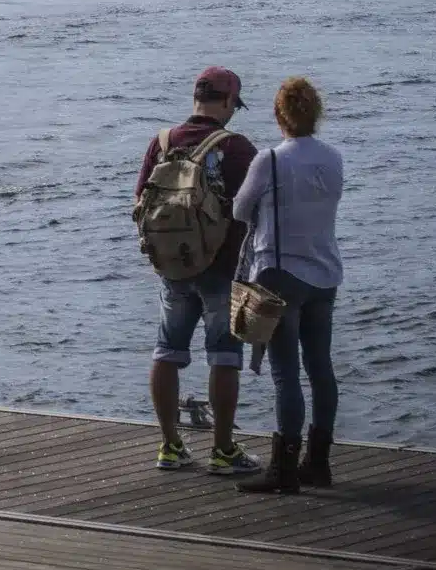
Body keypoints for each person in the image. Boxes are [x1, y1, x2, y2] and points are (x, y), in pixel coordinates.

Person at [133, 66, 262, 475]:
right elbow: (257, 209)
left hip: (172, 267)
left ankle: (170, 446)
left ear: (195, 98)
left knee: (167, 351)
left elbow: (140, 200)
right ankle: (223, 451)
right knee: (224, 356)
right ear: (226, 102)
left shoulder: (163, 141)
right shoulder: (237, 148)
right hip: (222, 268)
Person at [234, 76, 344, 494]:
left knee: (285, 376)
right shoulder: (333, 158)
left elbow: (241, 210)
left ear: (279, 115)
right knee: (321, 369)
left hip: (280, 276)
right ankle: (318, 463)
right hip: (325, 273)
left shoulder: (270, 160)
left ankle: (283, 470)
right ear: (316, 113)